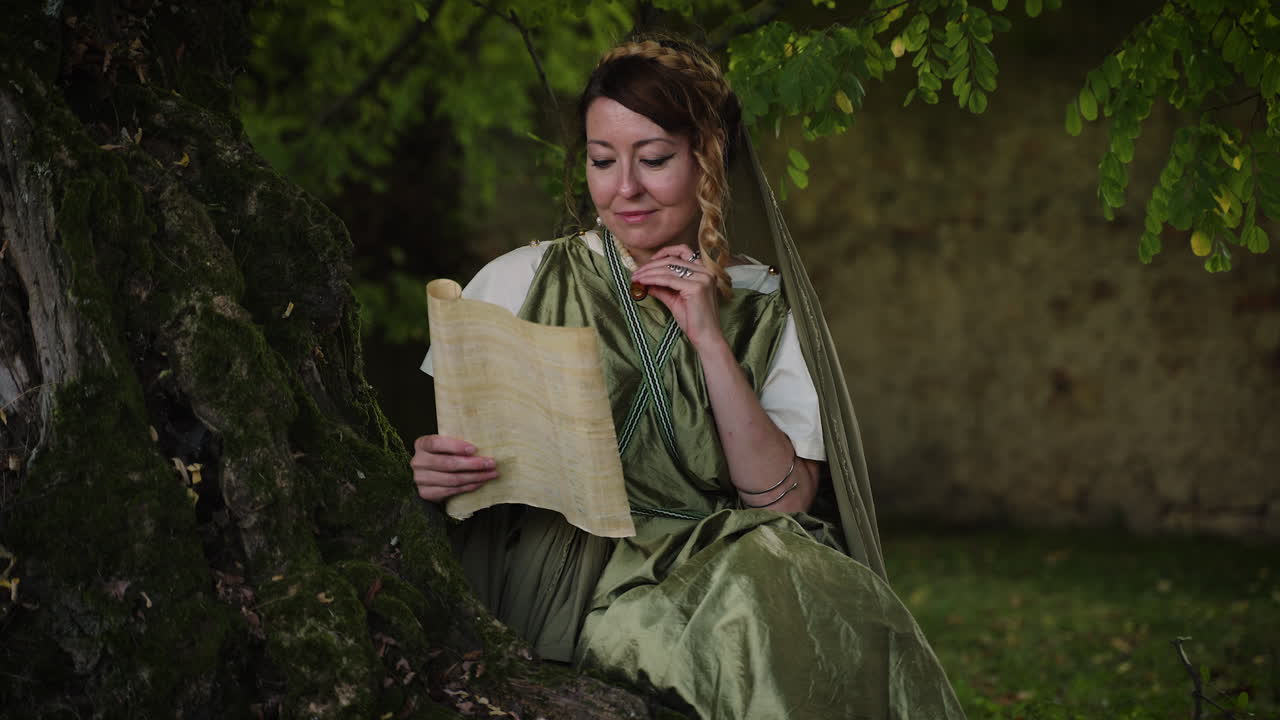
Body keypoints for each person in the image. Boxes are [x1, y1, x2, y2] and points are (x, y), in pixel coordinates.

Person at [412, 35, 966, 720]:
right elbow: (459, 454)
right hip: (570, 572)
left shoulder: (762, 302)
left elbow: (786, 503)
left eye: (653, 160)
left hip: (723, 557)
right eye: (601, 160)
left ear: (706, 158)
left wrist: (708, 334)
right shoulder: (518, 280)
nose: (625, 189)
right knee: (748, 624)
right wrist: (435, 470)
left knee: (843, 606)